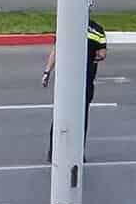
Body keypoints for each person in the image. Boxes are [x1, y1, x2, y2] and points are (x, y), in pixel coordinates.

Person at [41, 12, 108, 143]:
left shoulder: (66, 26)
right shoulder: (98, 30)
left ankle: (54, 149)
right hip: (86, 81)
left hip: (67, 80)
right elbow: (102, 54)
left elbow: (56, 51)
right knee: (82, 117)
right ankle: (79, 150)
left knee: (61, 115)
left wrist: (47, 72)